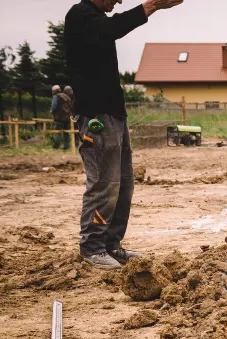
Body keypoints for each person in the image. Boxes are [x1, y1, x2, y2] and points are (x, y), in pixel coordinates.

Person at [64, 0, 184, 269]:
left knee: (124, 184)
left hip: (114, 113)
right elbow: (112, 29)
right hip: (96, 115)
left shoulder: (94, 17)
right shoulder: (81, 15)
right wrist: (151, 6)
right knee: (104, 183)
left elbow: (110, 27)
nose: (118, 1)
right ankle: (92, 248)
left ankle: (111, 245)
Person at [50, 85, 73, 150]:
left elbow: (54, 106)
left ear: (54, 91)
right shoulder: (67, 96)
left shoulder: (56, 96)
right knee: (66, 132)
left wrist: (51, 111)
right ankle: (66, 146)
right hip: (68, 117)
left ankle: (56, 146)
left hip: (59, 117)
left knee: (57, 131)